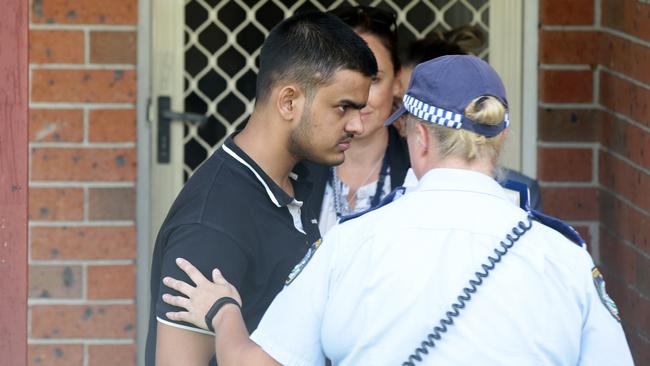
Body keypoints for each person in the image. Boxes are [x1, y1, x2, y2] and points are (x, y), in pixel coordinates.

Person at [159, 55, 634, 365]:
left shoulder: (352, 242)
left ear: (420, 137)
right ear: (498, 139)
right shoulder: (564, 257)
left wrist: (222, 310)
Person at [145, 11, 377, 366]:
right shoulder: (211, 226)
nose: (358, 125)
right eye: (343, 107)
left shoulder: (300, 177)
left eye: (359, 109)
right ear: (288, 102)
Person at [399, 28, 543, 210]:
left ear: (422, 136)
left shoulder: (373, 227)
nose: (402, 129)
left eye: (406, 115)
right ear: (503, 134)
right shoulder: (553, 237)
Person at [302, 5, 409, 234]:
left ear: (397, 82)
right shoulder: (294, 170)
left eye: (374, 79)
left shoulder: (418, 173)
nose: (359, 98)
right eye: (345, 78)